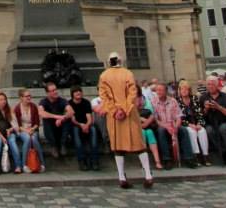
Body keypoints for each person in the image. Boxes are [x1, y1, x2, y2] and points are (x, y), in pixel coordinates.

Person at [98, 51, 153, 189]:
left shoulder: (104, 76)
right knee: (139, 144)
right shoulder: (128, 74)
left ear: (109, 62)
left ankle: (122, 177)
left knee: (118, 146)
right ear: (120, 61)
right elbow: (132, 93)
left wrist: (114, 110)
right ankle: (148, 175)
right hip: (130, 114)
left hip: (115, 117)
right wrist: (125, 109)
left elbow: (104, 97)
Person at [199, 76, 226, 167]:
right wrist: (206, 109)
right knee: (209, 130)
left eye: (212, 84)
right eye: (208, 84)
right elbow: (200, 115)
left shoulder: (225, 96)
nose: (210, 86)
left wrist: (218, 107)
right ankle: (224, 152)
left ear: (217, 85)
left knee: (223, 128)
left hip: (225, 121)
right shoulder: (203, 97)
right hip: (210, 123)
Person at [151, 82, 196, 169]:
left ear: (166, 91)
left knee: (183, 130)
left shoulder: (173, 101)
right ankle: (167, 159)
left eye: (160, 90)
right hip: (162, 125)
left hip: (173, 124)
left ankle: (188, 158)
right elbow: (156, 120)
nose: (158, 92)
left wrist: (176, 126)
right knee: (161, 131)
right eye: (157, 90)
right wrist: (166, 127)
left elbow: (179, 116)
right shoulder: (153, 102)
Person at [176, 79, 211, 166]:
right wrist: (189, 124)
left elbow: (200, 113)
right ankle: (196, 155)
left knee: (202, 131)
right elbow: (178, 117)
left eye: (186, 89)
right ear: (179, 91)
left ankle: (205, 155)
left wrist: (199, 123)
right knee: (192, 132)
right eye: (182, 89)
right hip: (185, 124)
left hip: (196, 123)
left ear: (189, 90)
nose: (184, 91)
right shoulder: (177, 101)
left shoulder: (194, 99)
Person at [66, 86, 99, 170]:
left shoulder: (86, 102)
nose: (78, 93)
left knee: (93, 129)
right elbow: (73, 119)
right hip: (76, 126)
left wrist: (86, 125)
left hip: (86, 125)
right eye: (76, 91)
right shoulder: (69, 104)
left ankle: (94, 160)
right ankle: (82, 161)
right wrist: (81, 125)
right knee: (75, 130)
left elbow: (89, 118)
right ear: (72, 94)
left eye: (79, 91)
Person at [13, 88, 46, 172]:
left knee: (33, 139)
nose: (29, 98)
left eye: (30, 96)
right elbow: (18, 125)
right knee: (28, 138)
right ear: (21, 98)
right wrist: (26, 131)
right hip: (22, 130)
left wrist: (32, 129)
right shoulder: (17, 108)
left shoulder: (33, 106)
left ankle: (42, 164)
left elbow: (37, 123)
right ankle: (24, 165)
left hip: (33, 129)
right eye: (26, 96)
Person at [0, 91, 23, 173]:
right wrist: (2, 137)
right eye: (1, 100)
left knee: (12, 142)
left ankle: (18, 166)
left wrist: (10, 129)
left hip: (9, 132)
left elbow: (15, 124)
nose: (3, 101)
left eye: (4, 99)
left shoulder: (10, 110)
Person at [38, 81, 71, 158]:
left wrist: (62, 118)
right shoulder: (43, 102)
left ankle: (63, 144)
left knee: (67, 119)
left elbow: (71, 111)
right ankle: (53, 146)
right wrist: (57, 117)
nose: (55, 92)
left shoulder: (62, 100)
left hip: (61, 130)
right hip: (50, 130)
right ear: (47, 93)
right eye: (52, 91)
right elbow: (41, 112)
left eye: (56, 89)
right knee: (46, 119)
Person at [137, 88, 163, 170]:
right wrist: (142, 120)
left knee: (149, 132)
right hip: (137, 130)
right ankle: (143, 162)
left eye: (141, 99)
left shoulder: (147, 110)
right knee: (142, 133)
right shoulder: (132, 111)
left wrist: (145, 121)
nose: (139, 101)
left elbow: (152, 119)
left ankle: (157, 161)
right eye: (138, 99)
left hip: (147, 128)